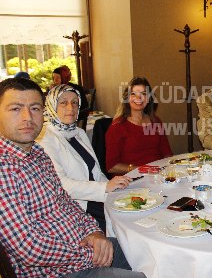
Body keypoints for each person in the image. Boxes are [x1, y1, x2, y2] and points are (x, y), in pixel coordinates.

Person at [0, 78, 145, 278]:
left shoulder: (38, 154)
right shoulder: (4, 169)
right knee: (143, 273)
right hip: (57, 270)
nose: (27, 117)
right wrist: (89, 253)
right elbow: (30, 249)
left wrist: (94, 232)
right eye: (15, 109)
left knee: (147, 252)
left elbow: (66, 202)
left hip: (81, 242)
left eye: (34, 108)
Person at [37, 84, 132, 231]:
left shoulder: (79, 133)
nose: (71, 107)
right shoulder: (45, 139)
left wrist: (115, 188)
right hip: (77, 208)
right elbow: (61, 185)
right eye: (63, 102)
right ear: (51, 105)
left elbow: (96, 173)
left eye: (75, 102)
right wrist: (105, 188)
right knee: (126, 226)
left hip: (96, 198)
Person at [106, 76, 173, 175]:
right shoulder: (118, 126)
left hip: (158, 175)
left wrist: (168, 172)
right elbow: (111, 167)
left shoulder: (156, 121)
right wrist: (142, 169)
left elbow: (167, 153)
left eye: (143, 94)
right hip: (131, 179)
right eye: (133, 94)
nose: (138, 98)